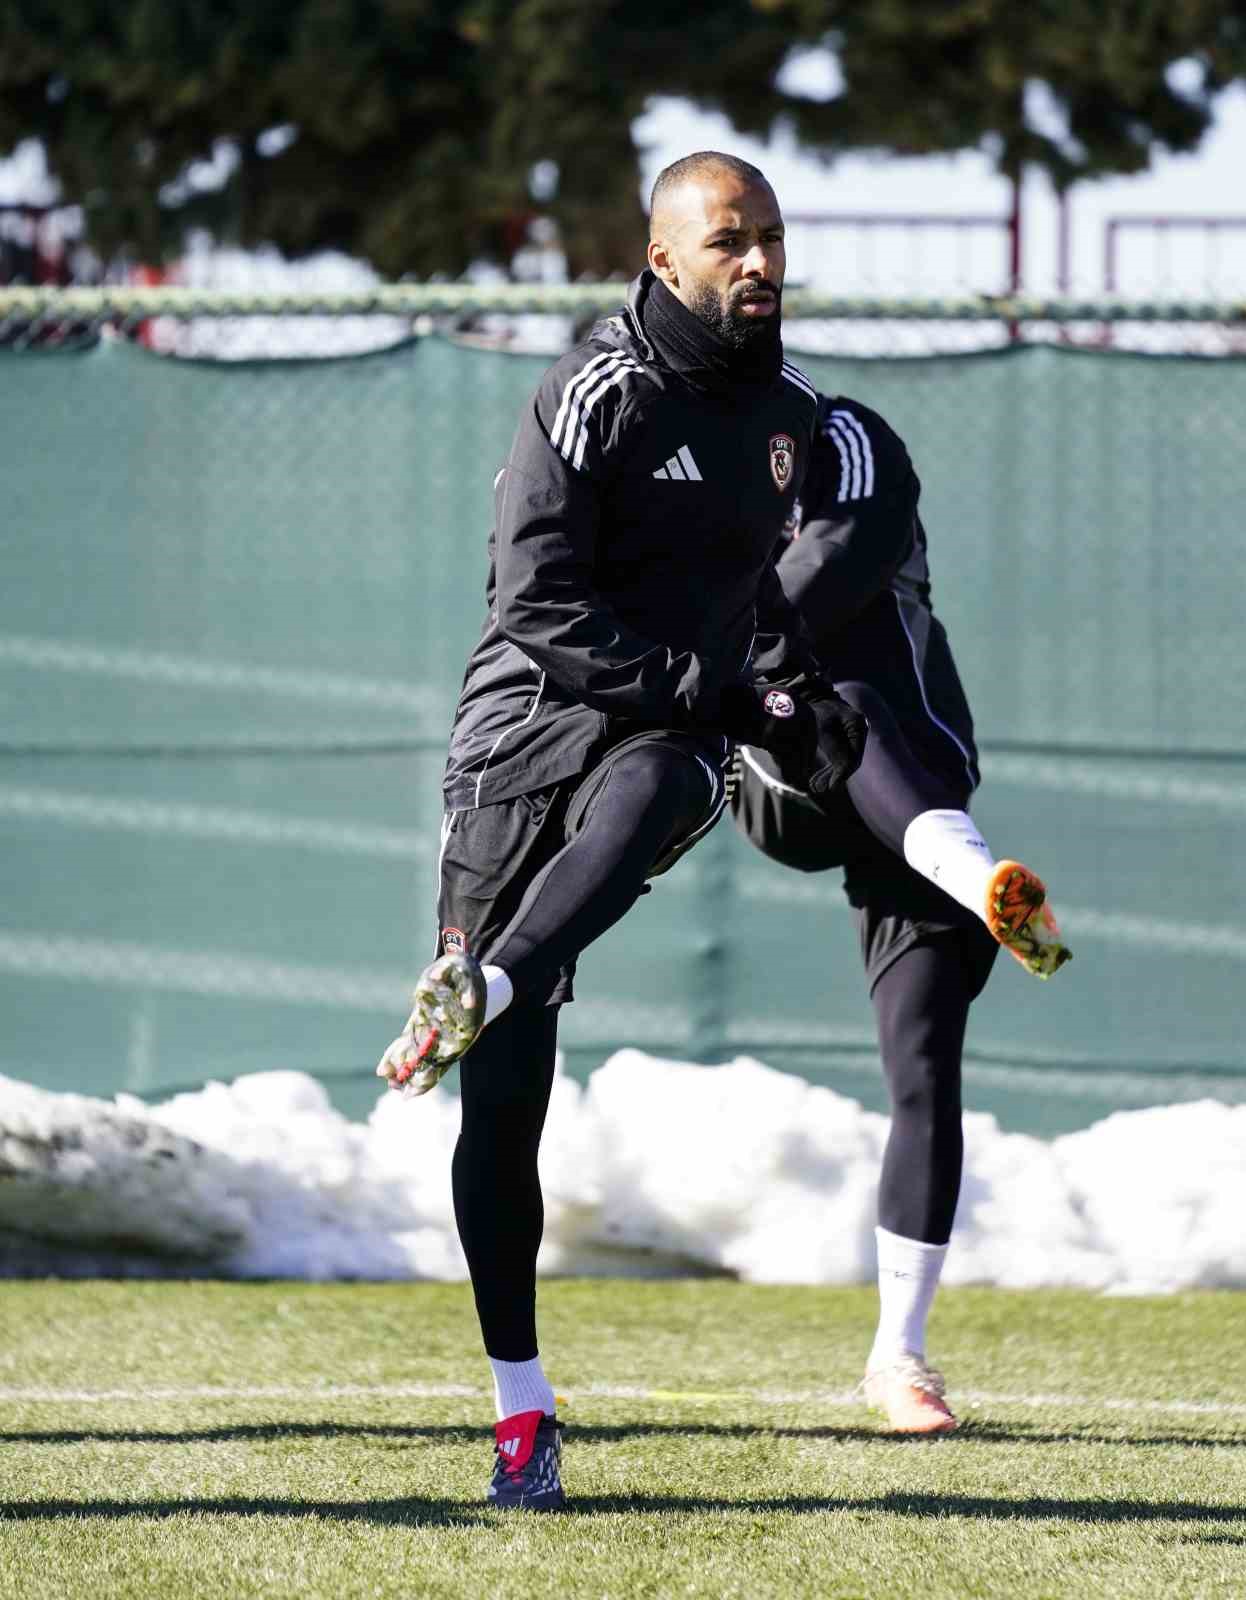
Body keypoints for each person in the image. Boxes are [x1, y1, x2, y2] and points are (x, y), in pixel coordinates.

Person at [375, 152, 867, 1510]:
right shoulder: (596, 393)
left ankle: (488, 980)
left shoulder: (797, 417)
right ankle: (520, 1411)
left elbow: (773, 599)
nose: (759, 261)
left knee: (673, 781)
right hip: (522, 740)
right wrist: (710, 688)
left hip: (656, 737)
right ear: (663, 260)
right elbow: (533, 602)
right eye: (729, 241)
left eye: (770, 236)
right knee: (507, 1102)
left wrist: (796, 699)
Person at [729, 392, 1071, 1435]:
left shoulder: (847, 438)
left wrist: (706, 623)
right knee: (829, 713)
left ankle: (899, 1360)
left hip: (909, 791)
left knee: (922, 1066)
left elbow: (839, 553)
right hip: (775, 771)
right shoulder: (659, 457)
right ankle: (493, 964)